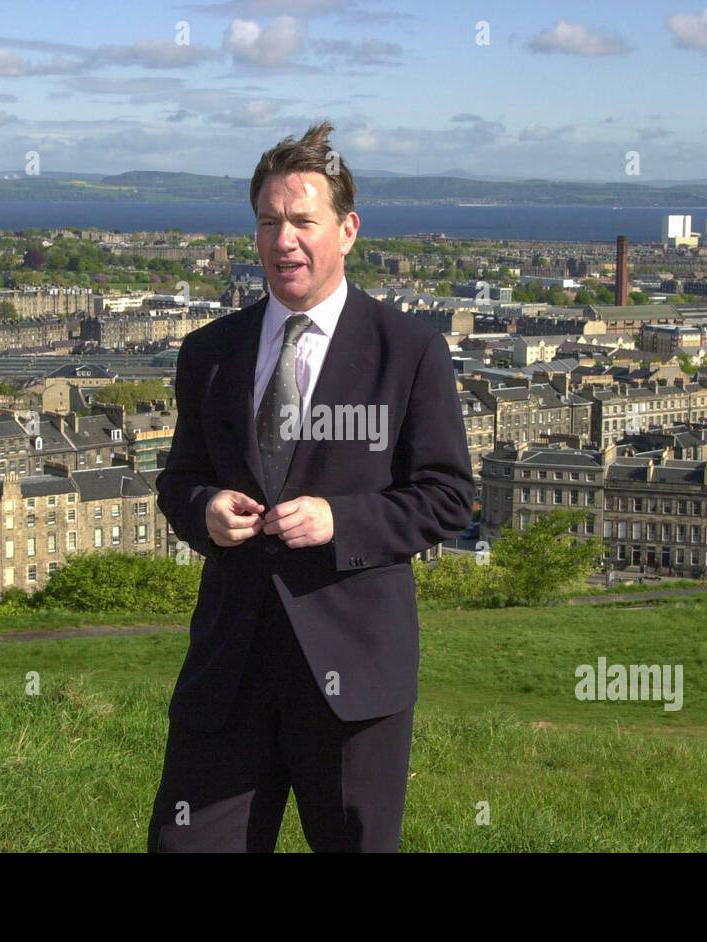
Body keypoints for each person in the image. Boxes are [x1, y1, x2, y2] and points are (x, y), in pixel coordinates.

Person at [146, 122, 475, 852]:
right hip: (230, 664)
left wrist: (341, 520)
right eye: (268, 222)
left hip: (351, 668)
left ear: (347, 229)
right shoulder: (211, 352)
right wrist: (205, 510)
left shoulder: (410, 350)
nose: (283, 240)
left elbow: (449, 496)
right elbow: (179, 482)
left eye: (303, 221)